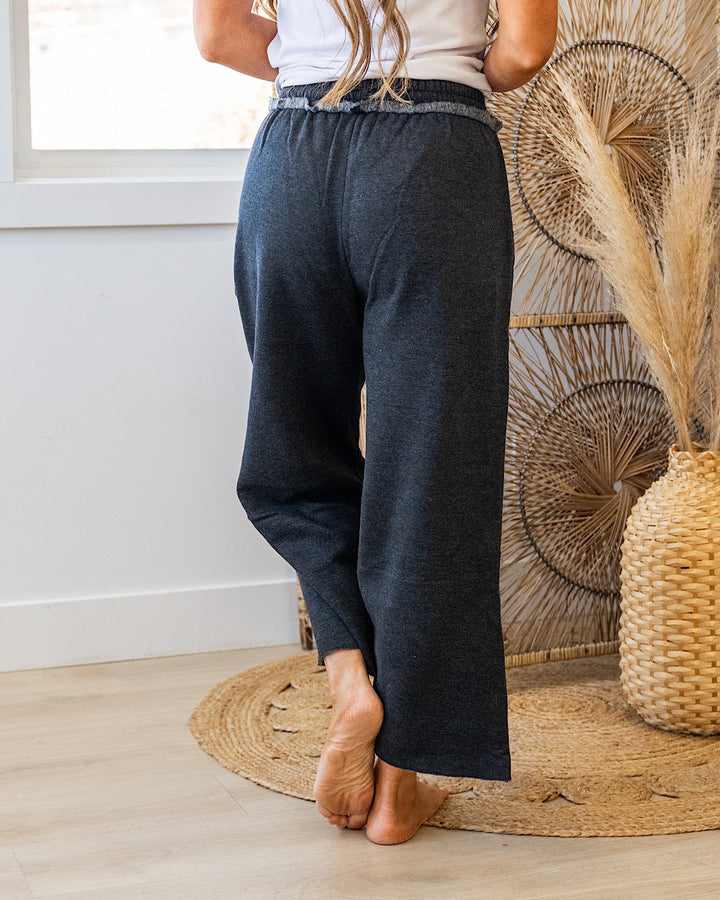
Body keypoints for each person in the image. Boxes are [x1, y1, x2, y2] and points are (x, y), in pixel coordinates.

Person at [193, 0, 557, 846]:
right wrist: (447, 67)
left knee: (295, 457)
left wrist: (316, 60)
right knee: (431, 473)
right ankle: (399, 785)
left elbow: (219, 37)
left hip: (296, 152)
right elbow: (526, 49)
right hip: (435, 160)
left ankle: (350, 677)